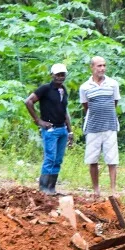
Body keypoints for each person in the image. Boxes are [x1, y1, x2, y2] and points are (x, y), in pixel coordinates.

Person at [24, 63, 74, 195]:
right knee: (50, 158)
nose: (60, 77)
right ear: (52, 75)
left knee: (58, 159)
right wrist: (38, 121)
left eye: (62, 74)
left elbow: (64, 112)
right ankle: (44, 188)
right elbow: (28, 102)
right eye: (57, 74)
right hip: (51, 129)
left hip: (62, 129)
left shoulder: (63, 90)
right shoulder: (45, 89)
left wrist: (70, 131)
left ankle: (52, 188)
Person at [79, 56, 121, 194]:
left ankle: (113, 189)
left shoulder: (113, 84)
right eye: (99, 66)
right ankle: (96, 190)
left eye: (104, 65)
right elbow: (86, 106)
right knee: (92, 159)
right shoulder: (85, 87)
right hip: (93, 126)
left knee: (112, 158)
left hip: (110, 125)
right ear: (92, 67)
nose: (102, 68)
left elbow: (114, 102)